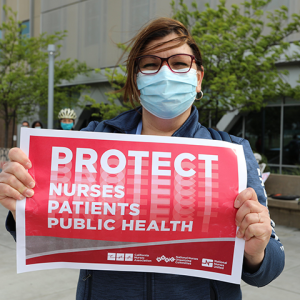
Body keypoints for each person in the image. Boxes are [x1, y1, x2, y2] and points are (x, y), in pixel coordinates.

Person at [0, 18, 284, 300]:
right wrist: (21, 201)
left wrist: (256, 249)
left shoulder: (231, 152)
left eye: (179, 63)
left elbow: (270, 264)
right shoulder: (91, 143)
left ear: (198, 77)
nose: (165, 73)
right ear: (136, 80)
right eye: (150, 64)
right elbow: (48, 230)